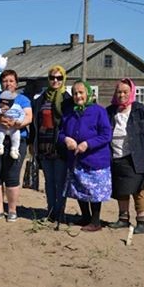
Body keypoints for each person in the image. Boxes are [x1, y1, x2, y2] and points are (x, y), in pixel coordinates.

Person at [107, 78, 144, 234]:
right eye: (119, 92)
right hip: (117, 156)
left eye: (125, 92)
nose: (122, 95)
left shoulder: (139, 110)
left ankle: (142, 222)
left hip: (136, 157)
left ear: (131, 93)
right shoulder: (110, 111)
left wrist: (142, 145)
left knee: (138, 189)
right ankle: (123, 219)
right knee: (121, 189)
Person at [59, 81, 112, 232]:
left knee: (93, 192)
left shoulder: (99, 111)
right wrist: (66, 139)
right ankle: (85, 217)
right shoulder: (69, 112)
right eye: (75, 93)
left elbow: (106, 135)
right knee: (80, 189)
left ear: (88, 94)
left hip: (95, 160)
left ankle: (95, 222)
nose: (78, 96)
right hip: (76, 159)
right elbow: (61, 133)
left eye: (81, 92)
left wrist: (87, 144)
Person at [0, 70, 32, 222]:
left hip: (17, 139)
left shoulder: (23, 99)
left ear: (16, 83)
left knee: (12, 175)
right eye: (5, 81)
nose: (8, 83)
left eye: (11, 81)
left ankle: (12, 210)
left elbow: (29, 117)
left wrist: (15, 123)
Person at [29, 65, 72, 224]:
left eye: (59, 78)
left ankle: (60, 213)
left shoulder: (68, 100)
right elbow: (35, 122)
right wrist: (31, 142)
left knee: (60, 181)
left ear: (63, 79)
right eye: (53, 78)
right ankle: (51, 212)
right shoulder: (40, 99)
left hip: (60, 145)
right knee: (49, 181)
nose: (55, 81)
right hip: (43, 145)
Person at [0, 91, 26, 159]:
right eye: (2, 103)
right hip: (2, 125)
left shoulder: (17, 106)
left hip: (14, 126)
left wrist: (19, 120)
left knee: (16, 137)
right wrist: (0, 110)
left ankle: (15, 150)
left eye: (6, 103)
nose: (4, 105)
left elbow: (22, 114)